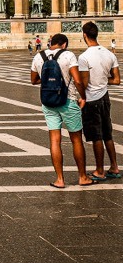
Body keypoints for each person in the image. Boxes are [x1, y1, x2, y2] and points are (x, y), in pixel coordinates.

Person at [30, 33, 93, 188]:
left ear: (51, 43)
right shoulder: (68, 55)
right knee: (76, 139)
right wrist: (83, 96)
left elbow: (33, 80)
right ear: (64, 44)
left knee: (54, 140)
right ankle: (82, 177)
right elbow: (78, 80)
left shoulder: (39, 57)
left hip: (48, 102)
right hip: (68, 100)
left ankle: (60, 179)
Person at [78, 21, 121, 181]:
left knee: (96, 136)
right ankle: (115, 167)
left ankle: (100, 170)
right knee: (107, 134)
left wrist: (81, 97)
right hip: (105, 98)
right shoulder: (109, 54)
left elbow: (84, 82)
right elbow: (116, 80)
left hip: (91, 99)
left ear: (84, 35)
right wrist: (103, 80)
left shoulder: (84, 57)